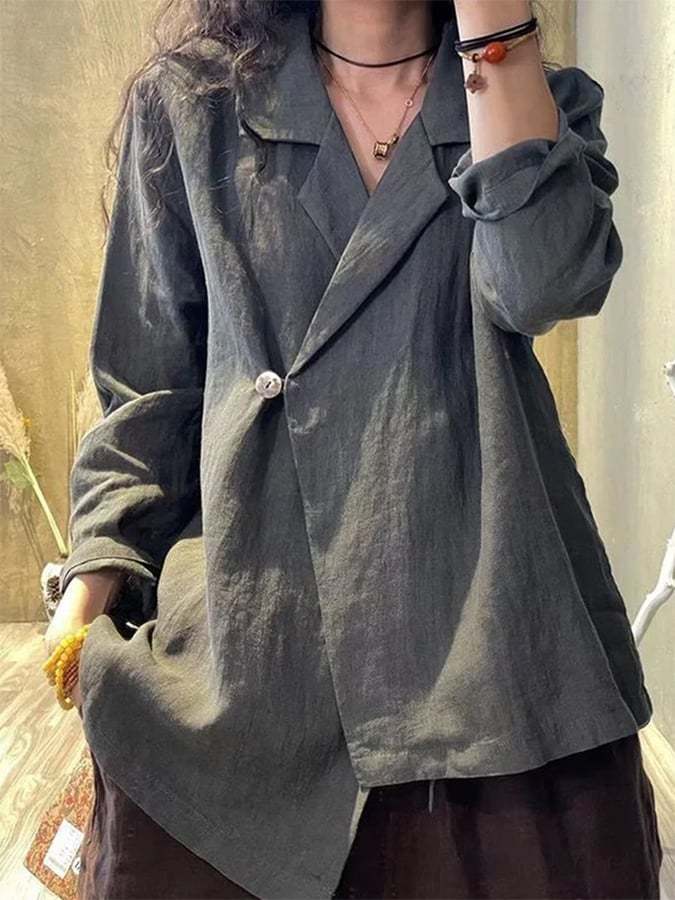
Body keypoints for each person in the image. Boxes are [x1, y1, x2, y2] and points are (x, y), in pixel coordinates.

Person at [44, 0, 663, 897]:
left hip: (488, 642)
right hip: (255, 633)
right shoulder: (193, 105)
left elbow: (541, 285)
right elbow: (149, 389)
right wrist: (92, 579)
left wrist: (495, 30)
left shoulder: (535, 100)